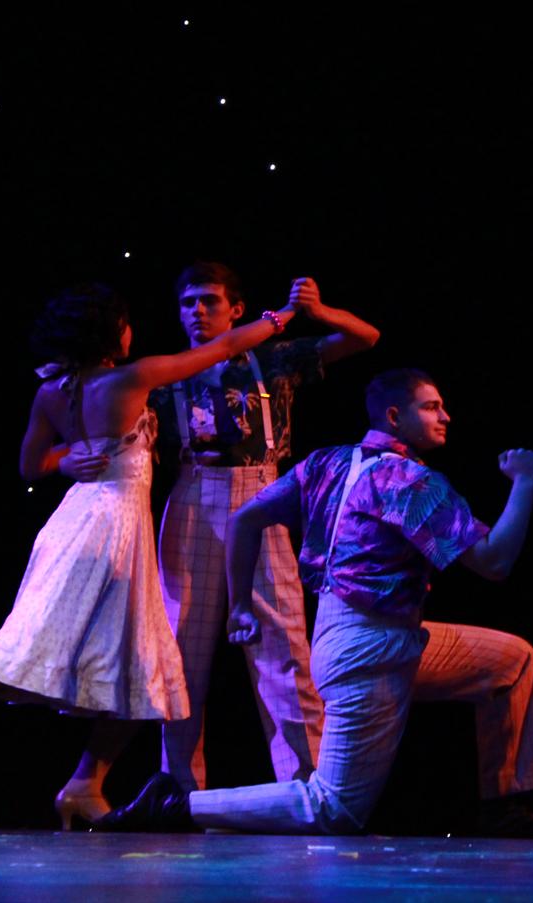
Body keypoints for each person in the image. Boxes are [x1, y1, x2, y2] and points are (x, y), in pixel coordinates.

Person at [97, 369, 533, 835]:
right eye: (431, 407)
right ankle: (178, 805)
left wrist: (240, 606)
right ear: (394, 416)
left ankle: (505, 806)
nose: (446, 416)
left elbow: (246, 519)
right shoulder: (411, 482)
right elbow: (494, 562)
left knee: (512, 663)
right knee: (332, 808)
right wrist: (524, 482)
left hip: (353, 636)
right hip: (371, 649)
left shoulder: (325, 464)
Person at [0, 283, 297, 828]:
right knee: (13, 654)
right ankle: (83, 782)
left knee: (145, 666)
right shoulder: (132, 378)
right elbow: (223, 347)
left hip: (76, 523)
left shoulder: (53, 391)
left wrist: (67, 458)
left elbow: (31, 466)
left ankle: (84, 785)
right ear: (112, 332)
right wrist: (282, 316)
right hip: (105, 531)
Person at [150, 262, 379, 794]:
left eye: (209, 301)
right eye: (187, 303)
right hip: (193, 494)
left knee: (283, 646)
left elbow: (364, 337)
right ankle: (178, 792)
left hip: (261, 492)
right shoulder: (167, 373)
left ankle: (306, 786)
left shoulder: (273, 359)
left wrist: (317, 311)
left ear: (236, 310)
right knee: (180, 649)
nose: (197, 311)